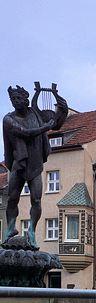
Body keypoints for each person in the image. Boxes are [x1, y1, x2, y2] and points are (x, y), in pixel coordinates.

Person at [3, 84, 67, 248]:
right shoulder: (8, 119)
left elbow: (57, 123)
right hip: (19, 162)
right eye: (12, 99)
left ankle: (31, 230)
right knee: (12, 198)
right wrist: (45, 127)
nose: (15, 102)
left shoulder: (35, 113)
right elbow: (25, 132)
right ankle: (10, 227)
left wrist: (62, 105)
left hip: (35, 163)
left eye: (18, 99)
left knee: (36, 199)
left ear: (26, 100)